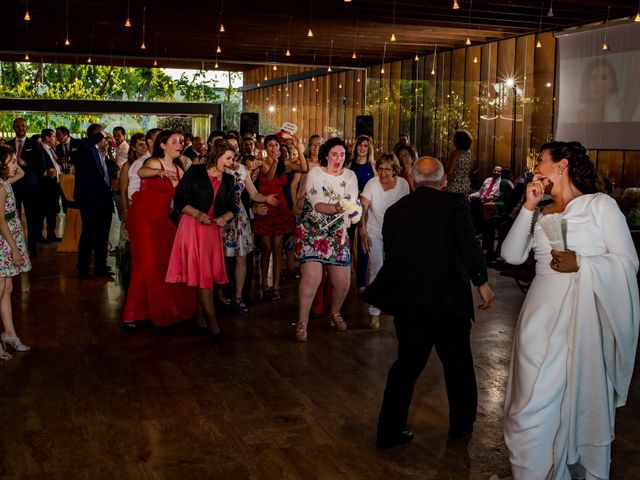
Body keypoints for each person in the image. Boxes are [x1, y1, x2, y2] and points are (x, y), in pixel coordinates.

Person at [501, 141, 639, 479]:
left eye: (540, 162)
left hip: (580, 319)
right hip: (537, 318)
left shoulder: (600, 206)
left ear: (561, 165)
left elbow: (628, 262)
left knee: (566, 403)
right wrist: (529, 206)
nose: (534, 168)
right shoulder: (539, 209)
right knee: (525, 407)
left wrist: (583, 264)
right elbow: (511, 256)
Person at [362, 156, 494, 449]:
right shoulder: (455, 203)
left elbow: (392, 252)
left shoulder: (396, 210)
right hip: (447, 301)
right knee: (458, 365)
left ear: (411, 179)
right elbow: (467, 243)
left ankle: (389, 430)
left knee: (405, 367)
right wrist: (481, 281)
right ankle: (461, 428)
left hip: (410, 301)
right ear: (443, 179)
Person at [122, 130, 195, 327]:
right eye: (174, 141)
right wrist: (159, 172)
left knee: (171, 259)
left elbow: (181, 198)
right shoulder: (154, 162)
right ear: (163, 145)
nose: (179, 144)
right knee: (146, 263)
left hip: (162, 220)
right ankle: (132, 313)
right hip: (142, 219)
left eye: (180, 141)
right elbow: (141, 173)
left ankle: (166, 305)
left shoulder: (179, 169)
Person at [166, 140, 237, 340]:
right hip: (192, 227)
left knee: (203, 274)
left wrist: (226, 217)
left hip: (212, 230)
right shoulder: (196, 172)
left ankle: (200, 319)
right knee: (204, 276)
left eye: (233, 159)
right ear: (217, 156)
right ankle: (213, 324)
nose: (231, 163)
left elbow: (233, 206)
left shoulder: (229, 180)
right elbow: (180, 200)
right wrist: (197, 214)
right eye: (228, 158)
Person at [293, 137, 362, 341]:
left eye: (341, 154)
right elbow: (316, 203)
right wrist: (337, 208)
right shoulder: (315, 173)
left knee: (343, 282)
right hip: (312, 228)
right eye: (334, 154)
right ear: (326, 155)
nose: (338, 158)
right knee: (312, 278)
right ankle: (302, 322)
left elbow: (351, 201)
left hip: (337, 232)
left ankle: (335, 312)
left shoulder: (350, 176)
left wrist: (350, 210)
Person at [221, 151, 279, 314]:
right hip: (222, 215)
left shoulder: (241, 170)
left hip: (240, 217)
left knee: (242, 259)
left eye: (233, 155)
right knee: (220, 257)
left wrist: (266, 199)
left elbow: (253, 193)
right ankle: (219, 294)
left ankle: (238, 298)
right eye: (228, 156)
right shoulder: (217, 169)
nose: (231, 159)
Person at [359, 153, 410, 329]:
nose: (383, 173)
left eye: (387, 169)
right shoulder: (372, 184)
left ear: (395, 170)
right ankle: (374, 312)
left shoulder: (403, 184)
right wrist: (362, 230)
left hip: (395, 234)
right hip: (374, 230)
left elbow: (405, 211)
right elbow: (363, 207)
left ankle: (391, 303)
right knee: (377, 268)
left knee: (395, 270)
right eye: (380, 169)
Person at [252, 134, 296, 302]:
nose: (273, 148)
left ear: (279, 147)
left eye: (275, 145)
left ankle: (276, 286)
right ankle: (264, 284)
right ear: (266, 147)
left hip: (280, 208)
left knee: (278, 249)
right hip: (264, 207)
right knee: (266, 248)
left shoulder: (284, 164)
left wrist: (297, 147)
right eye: (269, 145)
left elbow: (304, 168)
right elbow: (269, 176)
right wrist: (276, 161)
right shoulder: (262, 162)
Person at [72, 124, 117, 279]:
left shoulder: (103, 153)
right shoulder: (84, 151)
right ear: (96, 137)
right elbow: (84, 145)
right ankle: (83, 269)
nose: (106, 140)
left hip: (105, 199)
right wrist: (100, 135)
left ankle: (101, 266)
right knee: (89, 234)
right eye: (103, 137)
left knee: (103, 235)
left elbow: (107, 174)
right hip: (89, 200)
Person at [0, 146, 31, 360]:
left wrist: (14, 158)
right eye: (10, 162)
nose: (15, 165)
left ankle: (9, 333)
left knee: (7, 287)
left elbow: (22, 172)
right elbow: (0, 222)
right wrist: (14, 249)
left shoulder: (5, 182)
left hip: (10, 235)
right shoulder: (0, 187)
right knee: (0, 288)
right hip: (4, 240)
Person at [7, 118, 45, 259]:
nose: (20, 128)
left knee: (32, 219)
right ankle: (15, 247)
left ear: (26, 127)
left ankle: (32, 248)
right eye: (18, 126)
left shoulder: (34, 144)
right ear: (13, 128)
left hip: (30, 188)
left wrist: (25, 163)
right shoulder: (8, 145)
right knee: (13, 219)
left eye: (23, 125)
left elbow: (41, 165)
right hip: (13, 188)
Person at [350, 134, 377, 293]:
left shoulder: (373, 167)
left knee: (363, 245)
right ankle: (343, 280)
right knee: (345, 243)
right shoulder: (349, 165)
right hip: (349, 208)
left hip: (365, 210)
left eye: (365, 145)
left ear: (369, 149)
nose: (362, 148)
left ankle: (361, 283)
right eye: (360, 145)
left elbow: (375, 189)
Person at [577, 58, 620, 123]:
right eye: (593, 78)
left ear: (611, 83)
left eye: (604, 77)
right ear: (586, 83)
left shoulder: (617, 116)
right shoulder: (570, 118)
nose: (598, 83)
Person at [445, 130, 473, 195]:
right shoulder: (468, 153)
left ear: (458, 141)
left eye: (454, 139)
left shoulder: (455, 153)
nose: (453, 141)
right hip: (465, 184)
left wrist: (440, 170)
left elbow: (449, 171)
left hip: (454, 185)